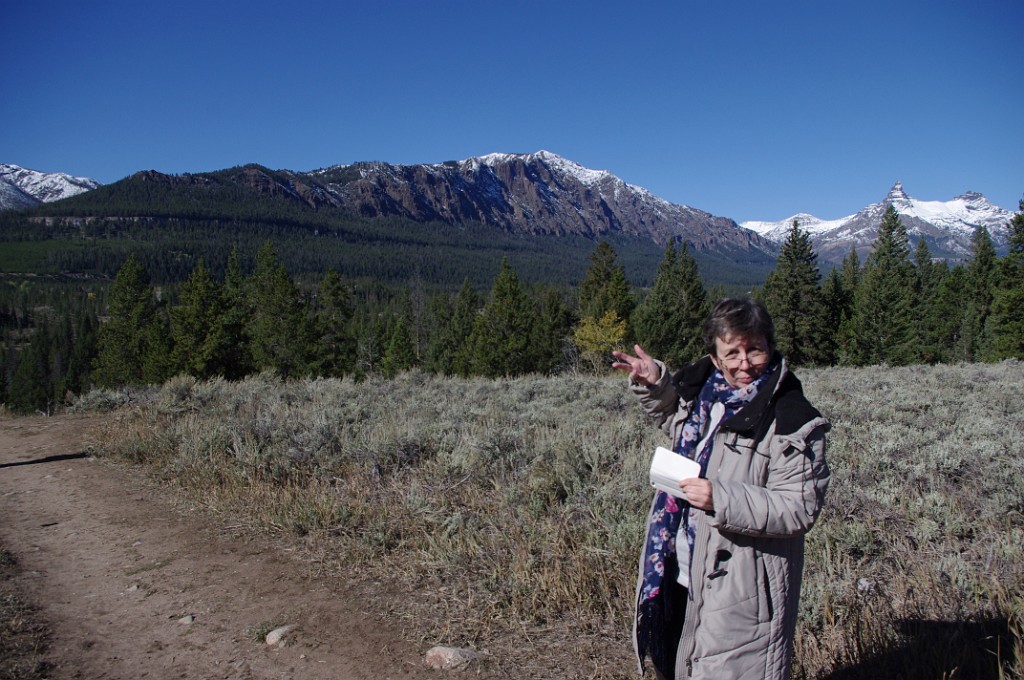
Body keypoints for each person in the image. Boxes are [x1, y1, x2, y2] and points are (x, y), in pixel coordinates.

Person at [612, 297, 830, 680]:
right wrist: (657, 384)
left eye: (755, 349)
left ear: (770, 347)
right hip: (678, 566)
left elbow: (799, 505)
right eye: (732, 353)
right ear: (715, 358)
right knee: (673, 664)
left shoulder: (792, 418)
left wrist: (720, 497)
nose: (744, 363)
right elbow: (680, 426)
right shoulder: (705, 396)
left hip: (740, 588)